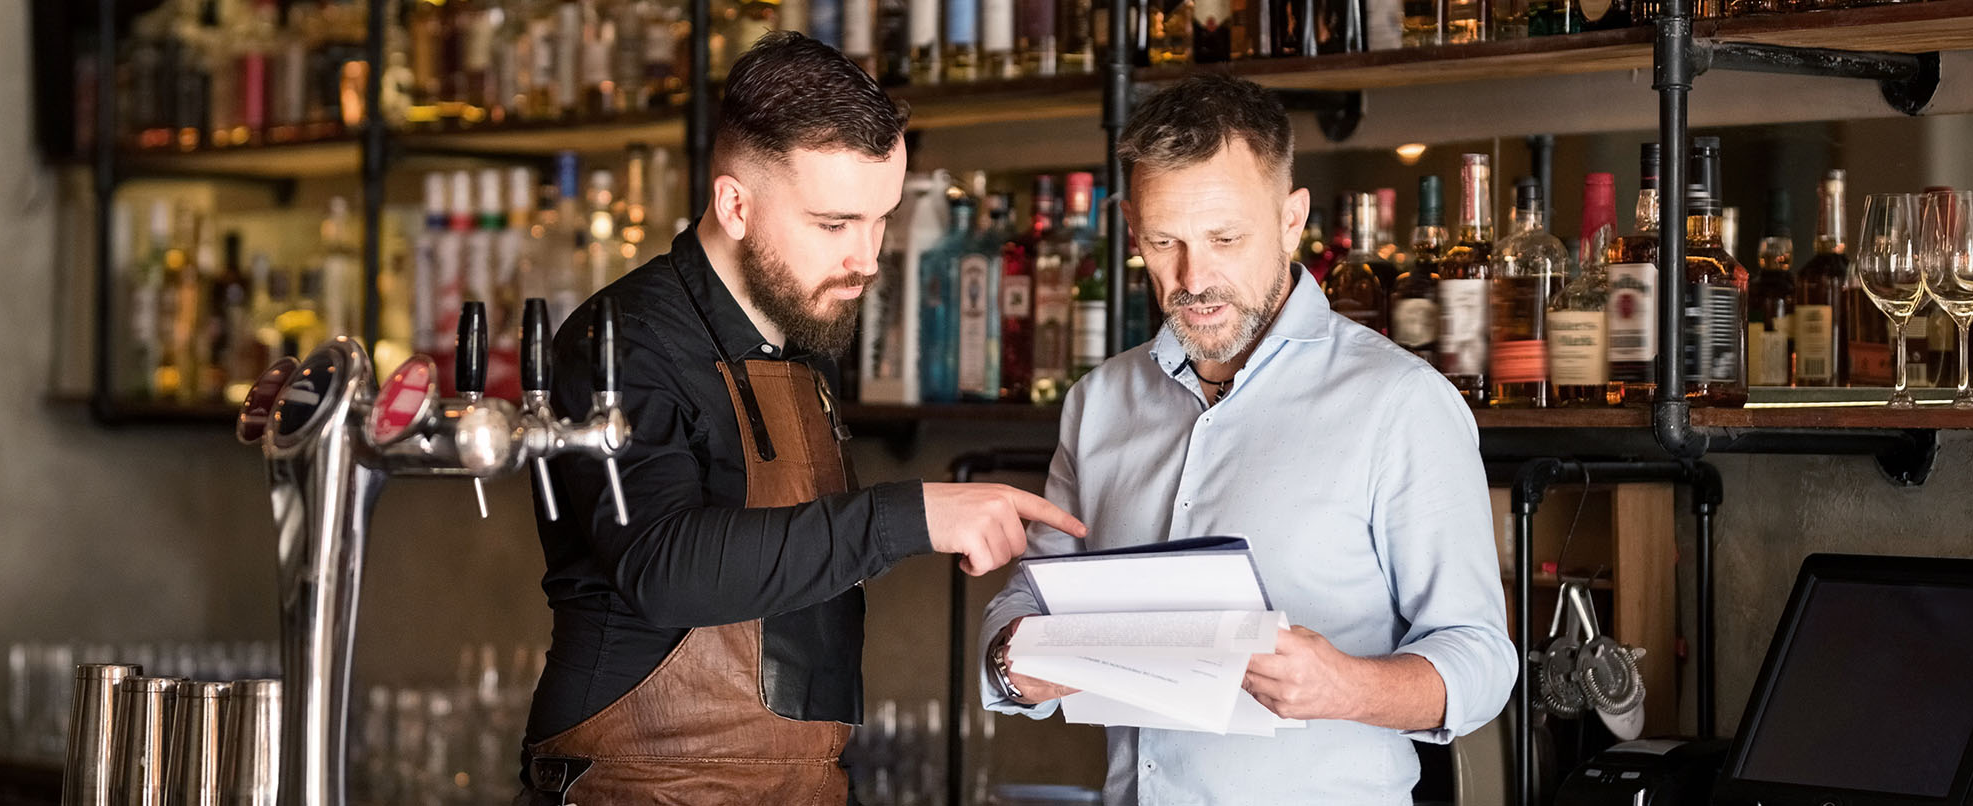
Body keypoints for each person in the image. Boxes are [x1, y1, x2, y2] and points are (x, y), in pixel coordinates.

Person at [522, 31, 1087, 804]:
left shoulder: (803, 332)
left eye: (880, 218)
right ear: (735, 204)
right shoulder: (620, 341)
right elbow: (661, 564)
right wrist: (910, 516)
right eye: (833, 224)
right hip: (639, 782)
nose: (866, 258)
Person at [977, 74, 1516, 804]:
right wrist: (1012, 662)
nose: (1193, 277)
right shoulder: (1098, 403)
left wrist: (1350, 687)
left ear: (1291, 220)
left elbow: (1481, 660)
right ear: (1132, 226)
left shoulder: (1399, 403)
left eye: (1225, 238)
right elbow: (1031, 597)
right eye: (1163, 241)